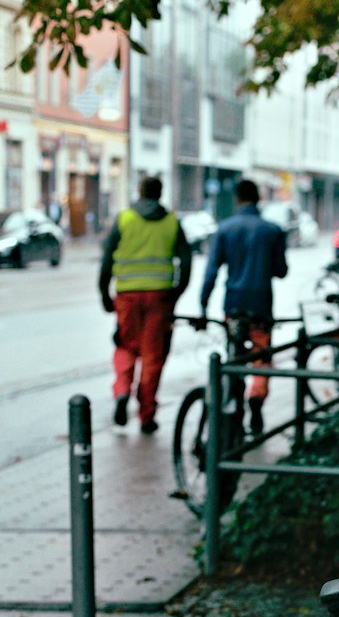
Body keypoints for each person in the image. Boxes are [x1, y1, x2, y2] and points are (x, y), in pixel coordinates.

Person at [99, 177, 191, 435]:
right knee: (153, 356)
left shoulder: (124, 219)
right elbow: (185, 262)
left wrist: (104, 295)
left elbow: (107, 261)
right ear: (160, 193)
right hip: (160, 297)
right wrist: (176, 294)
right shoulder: (172, 222)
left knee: (126, 346)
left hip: (127, 296)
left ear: (139, 192)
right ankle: (146, 415)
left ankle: (121, 391)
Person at [198, 178, 288, 437]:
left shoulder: (225, 229)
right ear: (258, 199)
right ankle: (257, 397)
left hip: (234, 304)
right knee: (261, 355)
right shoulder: (272, 230)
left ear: (237, 199)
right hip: (261, 305)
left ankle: (233, 401)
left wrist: (203, 304)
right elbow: (281, 271)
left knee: (234, 355)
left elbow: (212, 270)